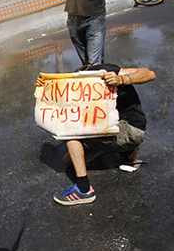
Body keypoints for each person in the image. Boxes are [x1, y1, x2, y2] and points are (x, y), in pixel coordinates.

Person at [56, 63, 156, 205]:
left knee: (70, 131)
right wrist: (42, 86)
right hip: (114, 130)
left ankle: (84, 190)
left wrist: (121, 79)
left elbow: (150, 74)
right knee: (68, 161)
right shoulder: (77, 91)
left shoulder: (102, 71)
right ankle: (127, 153)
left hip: (130, 128)